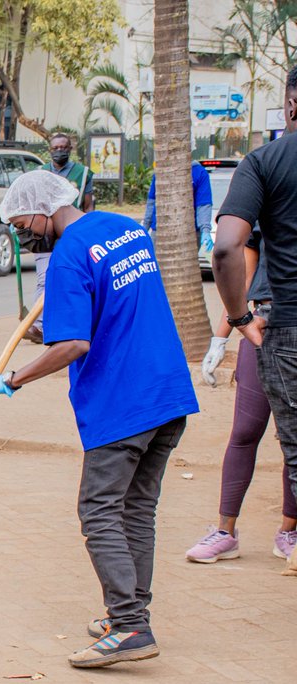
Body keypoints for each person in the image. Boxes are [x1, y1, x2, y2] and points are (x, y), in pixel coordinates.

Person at [0, 170, 198, 668]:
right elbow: (115, 305)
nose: (21, 232)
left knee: (98, 511)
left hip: (123, 402)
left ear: (41, 210)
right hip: (167, 391)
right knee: (137, 509)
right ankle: (132, 610)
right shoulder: (125, 229)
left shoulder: (69, 255)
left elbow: (74, 344)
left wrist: (12, 380)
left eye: (20, 222)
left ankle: (129, 625)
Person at [211, 64, 297, 574]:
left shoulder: (264, 162)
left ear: (290, 105)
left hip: (284, 326)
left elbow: (225, 249)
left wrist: (238, 317)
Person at [191, 228, 297, 563]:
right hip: (262, 328)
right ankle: (225, 531)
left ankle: (288, 531)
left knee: (291, 437)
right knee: (245, 431)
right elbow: (242, 280)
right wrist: (219, 339)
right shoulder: (264, 220)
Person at [26, 132, 94, 343]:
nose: (59, 152)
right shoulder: (40, 173)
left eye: (63, 147)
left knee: (73, 279)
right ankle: (39, 326)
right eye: (55, 148)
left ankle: (69, 323)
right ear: (49, 150)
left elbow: (88, 204)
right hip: (46, 235)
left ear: (70, 148)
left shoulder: (82, 174)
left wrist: (89, 228)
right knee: (45, 279)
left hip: (73, 234)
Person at [143, 160, 215, 254]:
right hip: (160, 232)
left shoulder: (198, 172)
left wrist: (205, 230)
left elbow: (203, 204)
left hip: (189, 233)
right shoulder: (161, 171)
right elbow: (152, 202)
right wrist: (144, 228)